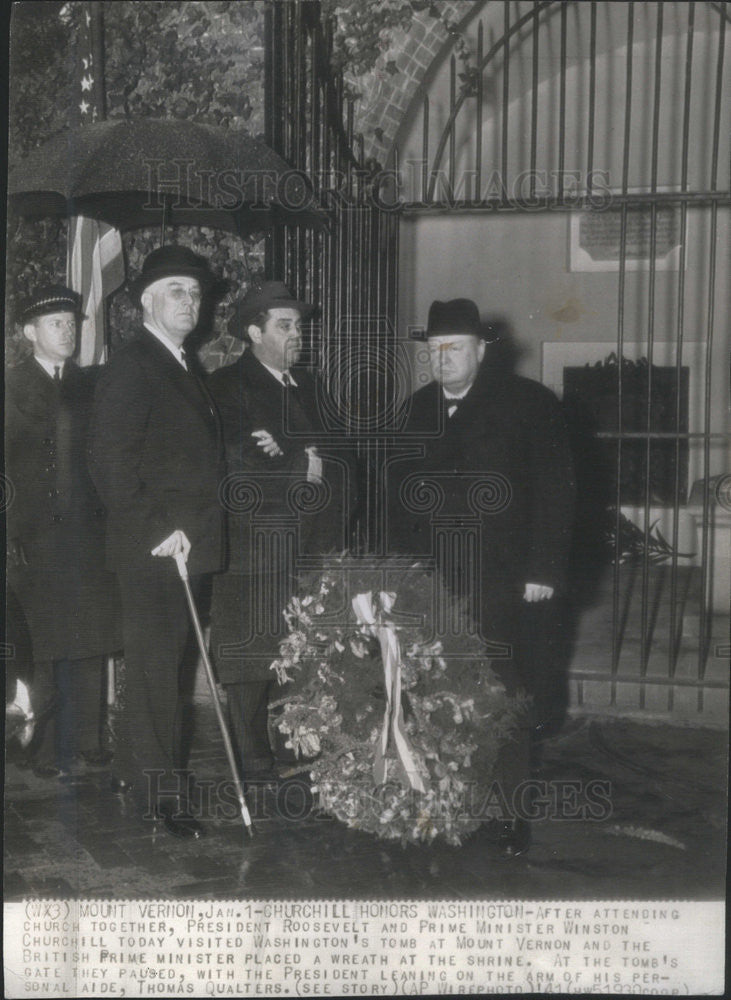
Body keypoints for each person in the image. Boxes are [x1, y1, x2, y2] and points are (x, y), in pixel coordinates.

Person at [388, 297, 575, 856]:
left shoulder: (529, 404)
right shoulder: (414, 409)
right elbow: (396, 499)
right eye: (435, 349)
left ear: (481, 350)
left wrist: (544, 568)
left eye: (455, 349)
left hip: (501, 575)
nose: (443, 359)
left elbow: (556, 491)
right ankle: (447, 800)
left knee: (503, 691)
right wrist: (397, 573)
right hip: (432, 580)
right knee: (434, 689)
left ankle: (513, 811)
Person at [89, 246, 225, 839]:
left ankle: (135, 773)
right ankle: (163, 798)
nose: (189, 302)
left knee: (165, 669)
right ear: (146, 300)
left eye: (195, 293)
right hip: (158, 550)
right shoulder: (133, 363)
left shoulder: (180, 361)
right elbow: (108, 461)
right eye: (176, 290)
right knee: (156, 674)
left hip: (184, 545)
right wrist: (157, 532)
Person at [208, 281, 351, 783]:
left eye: (300, 326)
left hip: (312, 542)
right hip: (255, 544)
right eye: (285, 326)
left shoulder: (310, 385)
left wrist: (286, 447)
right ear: (254, 332)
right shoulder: (228, 387)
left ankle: (296, 743)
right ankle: (253, 756)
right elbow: (237, 463)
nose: (298, 336)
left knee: (299, 647)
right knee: (251, 653)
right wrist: (300, 459)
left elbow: (342, 456)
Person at [6, 285, 122, 777]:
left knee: (91, 636)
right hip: (31, 536)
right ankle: (45, 747)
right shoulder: (10, 386)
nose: (68, 330)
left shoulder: (93, 384)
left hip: (88, 532)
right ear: (29, 332)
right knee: (46, 642)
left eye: (72, 322)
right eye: (56, 323)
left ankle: (89, 740)